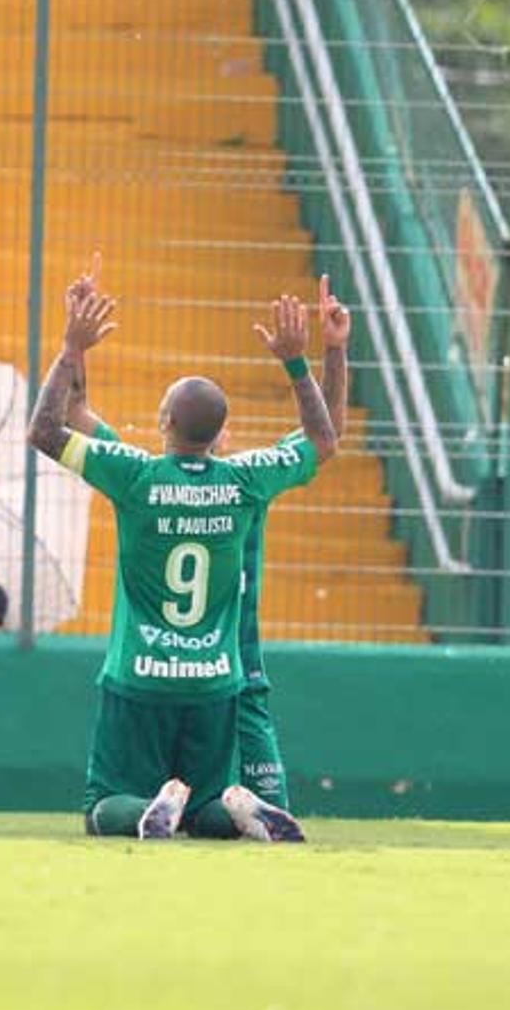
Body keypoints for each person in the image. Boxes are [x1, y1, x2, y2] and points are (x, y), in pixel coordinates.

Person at [26, 257, 337, 841]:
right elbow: (323, 440)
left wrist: (73, 345)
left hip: (138, 674)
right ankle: (240, 811)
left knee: (102, 804)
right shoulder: (246, 480)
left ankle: (146, 812)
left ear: (164, 420)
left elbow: (49, 429)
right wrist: (299, 361)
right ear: (220, 434)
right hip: (216, 679)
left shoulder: (136, 476)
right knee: (205, 811)